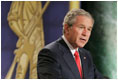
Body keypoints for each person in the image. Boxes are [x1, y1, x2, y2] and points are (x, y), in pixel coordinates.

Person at [37, 9, 105, 79]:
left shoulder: (85, 55)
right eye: (81, 27)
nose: (85, 33)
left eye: (89, 29)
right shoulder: (50, 53)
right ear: (67, 29)